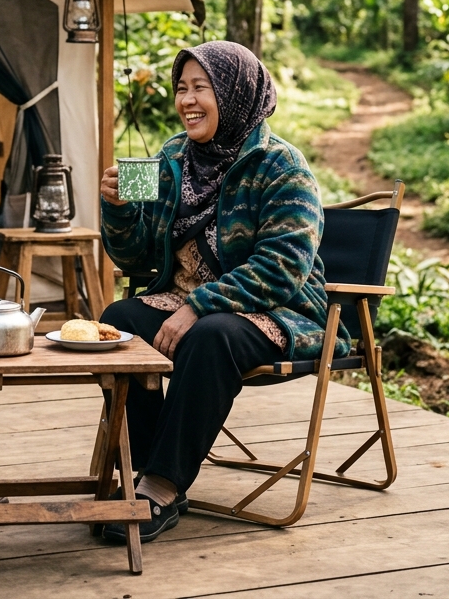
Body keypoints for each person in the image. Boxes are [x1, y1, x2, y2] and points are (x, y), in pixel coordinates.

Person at [98, 40, 349, 544]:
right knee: (118, 323)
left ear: (235, 94)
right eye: (180, 89)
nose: (187, 100)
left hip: (280, 310)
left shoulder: (282, 167)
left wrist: (198, 305)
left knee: (212, 335)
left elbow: (282, 268)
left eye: (201, 88)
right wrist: (121, 210)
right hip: (190, 303)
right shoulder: (170, 158)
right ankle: (145, 469)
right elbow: (137, 259)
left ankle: (163, 486)